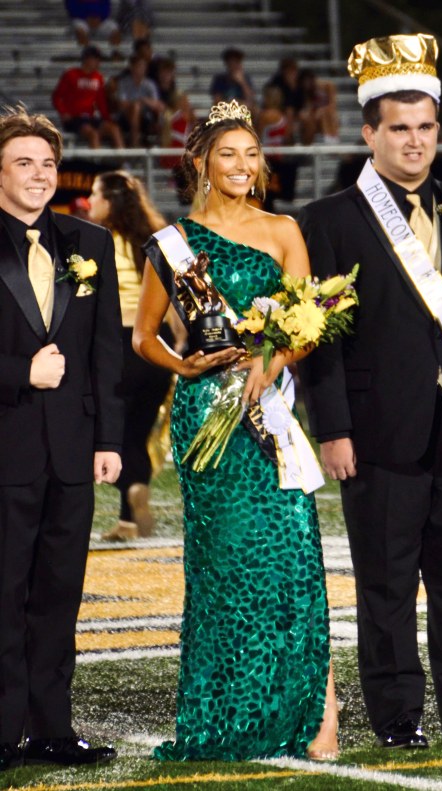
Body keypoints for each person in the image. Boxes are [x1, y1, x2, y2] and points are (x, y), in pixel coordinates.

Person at [298, 34, 442, 749]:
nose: (414, 141)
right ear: (370, 131)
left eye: (426, 127)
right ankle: (398, 718)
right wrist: (332, 428)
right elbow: (321, 340)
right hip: (377, 431)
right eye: (398, 128)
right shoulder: (330, 219)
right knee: (388, 588)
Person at [132, 99, 338, 761]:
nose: (244, 165)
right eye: (230, 154)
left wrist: (270, 361)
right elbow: (143, 337)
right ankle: (227, 715)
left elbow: (310, 320)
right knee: (223, 566)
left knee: (289, 554)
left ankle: (305, 718)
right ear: (201, 162)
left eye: (252, 154)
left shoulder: (283, 230)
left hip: (268, 412)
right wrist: (182, 360)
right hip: (206, 418)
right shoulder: (174, 244)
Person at [0, 107, 123, 771]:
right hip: (6, 447)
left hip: (74, 452)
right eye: (23, 162)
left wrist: (110, 438)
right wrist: (23, 371)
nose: (39, 175)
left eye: (47, 163)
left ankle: (51, 727)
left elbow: (107, 350)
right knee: (4, 594)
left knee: (58, 594)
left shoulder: (89, 243)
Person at [87, 170, 177, 541]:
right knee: (137, 433)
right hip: (157, 347)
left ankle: (130, 497)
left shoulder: (96, 243)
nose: (89, 202)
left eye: (95, 195)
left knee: (107, 433)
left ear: (110, 202)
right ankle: (129, 512)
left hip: (117, 346)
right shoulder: (155, 242)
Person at [52, 45, 125, 150]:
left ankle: (122, 162)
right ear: (88, 59)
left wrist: (107, 119)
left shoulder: (98, 77)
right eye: (96, 59)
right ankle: (96, 163)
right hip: (74, 118)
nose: (98, 63)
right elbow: (57, 96)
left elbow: (101, 102)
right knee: (93, 134)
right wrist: (63, 112)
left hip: (89, 118)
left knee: (114, 129)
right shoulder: (71, 75)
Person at [114, 54, 163, 147]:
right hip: (125, 117)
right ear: (132, 67)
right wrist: (137, 104)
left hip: (145, 117)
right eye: (139, 66)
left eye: (143, 66)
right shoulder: (124, 83)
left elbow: (157, 104)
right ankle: (135, 142)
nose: (141, 69)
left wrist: (143, 100)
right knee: (135, 108)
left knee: (162, 114)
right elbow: (122, 104)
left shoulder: (150, 84)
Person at [295, 68, 340, 145]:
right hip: (314, 118)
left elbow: (333, 105)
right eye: (304, 82)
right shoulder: (305, 93)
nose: (306, 84)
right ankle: (306, 146)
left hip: (327, 116)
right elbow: (308, 109)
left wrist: (322, 111)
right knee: (308, 120)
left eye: (308, 81)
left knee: (326, 114)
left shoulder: (326, 86)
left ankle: (331, 140)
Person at [210, 47, 257, 118]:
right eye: (231, 62)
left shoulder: (246, 79)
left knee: (254, 110)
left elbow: (250, 99)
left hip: (243, 109)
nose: (234, 65)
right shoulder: (220, 79)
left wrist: (242, 83)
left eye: (236, 62)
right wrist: (232, 105)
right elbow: (217, 100)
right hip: (225, 110)